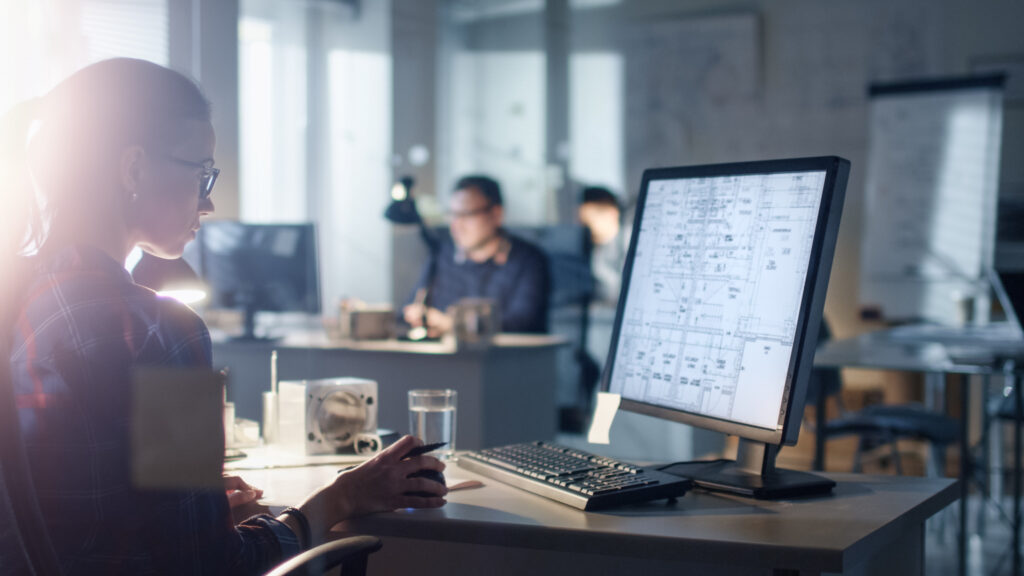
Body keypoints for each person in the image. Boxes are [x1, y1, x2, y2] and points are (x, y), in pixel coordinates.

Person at [0, 58, 446, 575]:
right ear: (134, 170)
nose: (207, 204)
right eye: (202, 174)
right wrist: (341, 497)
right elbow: (209, 566)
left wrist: (194, 507)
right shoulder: (156, 331)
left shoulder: (20, 297)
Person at [402, 175, 550, 336]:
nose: (457, 225)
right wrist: (418, 316)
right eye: (452, 214)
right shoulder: (442, 255)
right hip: (446, 359)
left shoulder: (528, 261)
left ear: (496, 214)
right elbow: (410, 309)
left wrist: (454, 325)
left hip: (505, 359)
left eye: (466, 214)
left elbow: (523, 323)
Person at [577, 186, 627, 304]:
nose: (584, 226)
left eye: (590, 219)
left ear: (612, 213)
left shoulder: (628, 244)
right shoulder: (592, 248)